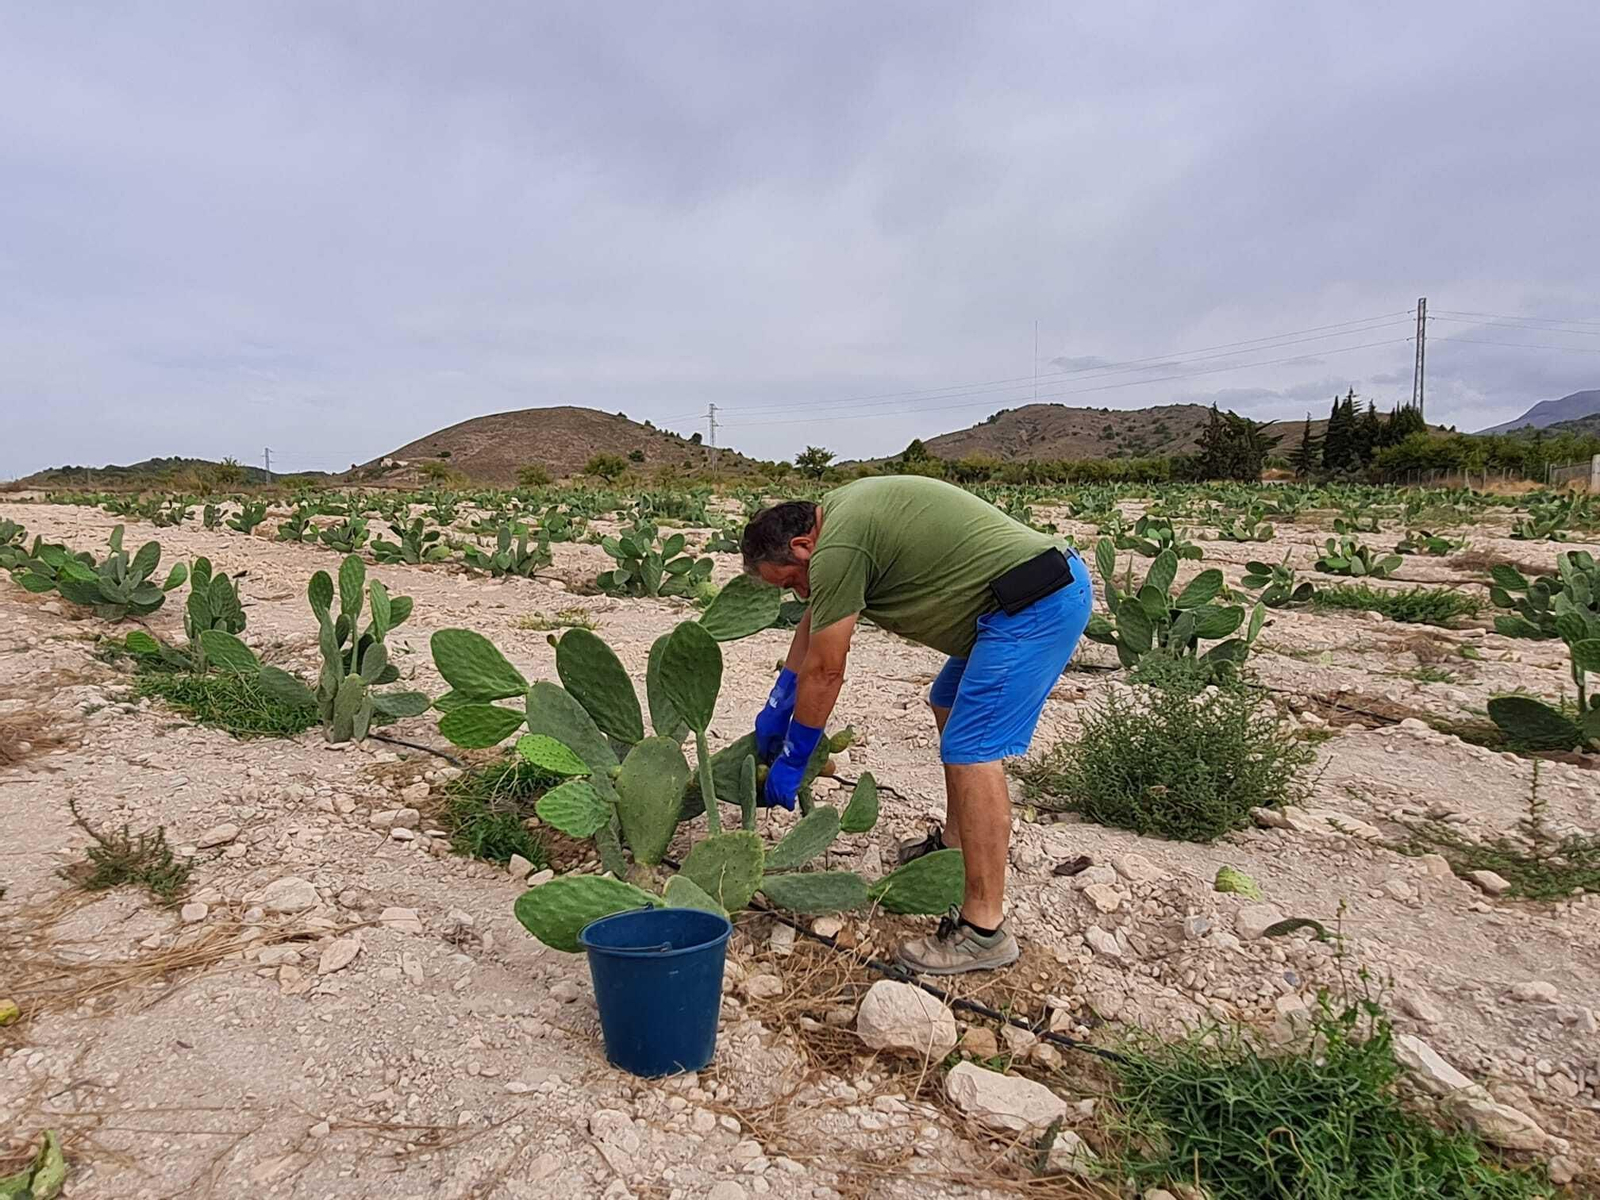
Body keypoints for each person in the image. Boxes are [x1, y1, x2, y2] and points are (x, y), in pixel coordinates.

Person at [740, 475, 1092, 974]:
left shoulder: (838, 545)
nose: (799, 594)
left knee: (972, 747)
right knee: (947, 700)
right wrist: (780, 700)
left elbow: (828, 669)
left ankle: (984, 929)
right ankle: (953, 844)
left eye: (792, 581)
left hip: (1034, 605)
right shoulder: (839, 519)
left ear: (802, 546)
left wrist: (797, 753)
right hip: (1021, 596)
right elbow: (815, 625)